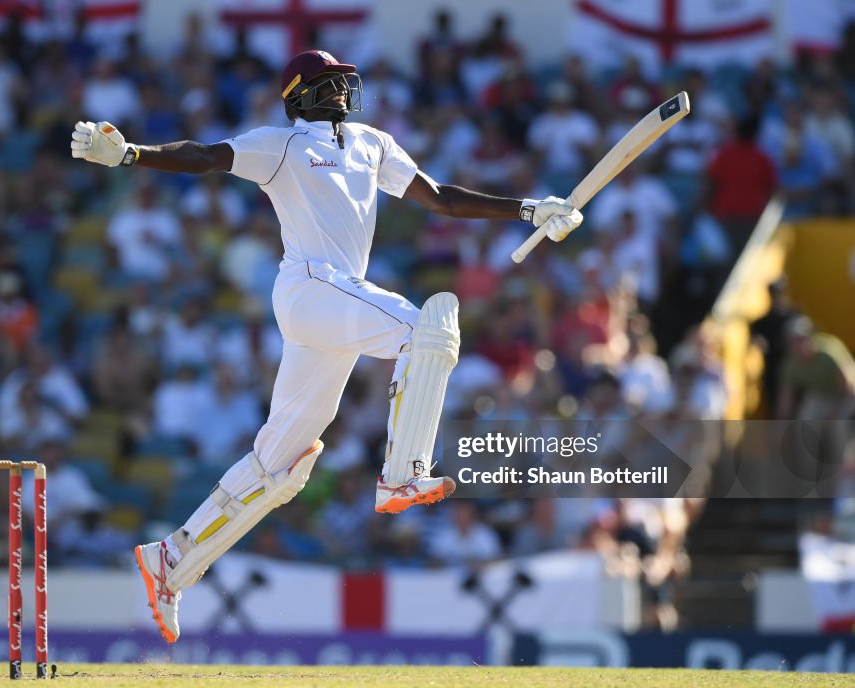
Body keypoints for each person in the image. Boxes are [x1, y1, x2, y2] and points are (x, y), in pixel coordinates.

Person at [70, 49, 584, 643]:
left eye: (344, 83)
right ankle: (402, 473)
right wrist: (133, 153)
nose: (341, 93)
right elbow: (208, 157)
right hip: (310, 286)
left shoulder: (371, 143)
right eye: (327, 84)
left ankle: (171, 561)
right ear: (298, 94)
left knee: (281, 466)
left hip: (337, 303)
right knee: (428, 329)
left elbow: (439, 197)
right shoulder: (281, 144)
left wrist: (527, 209)